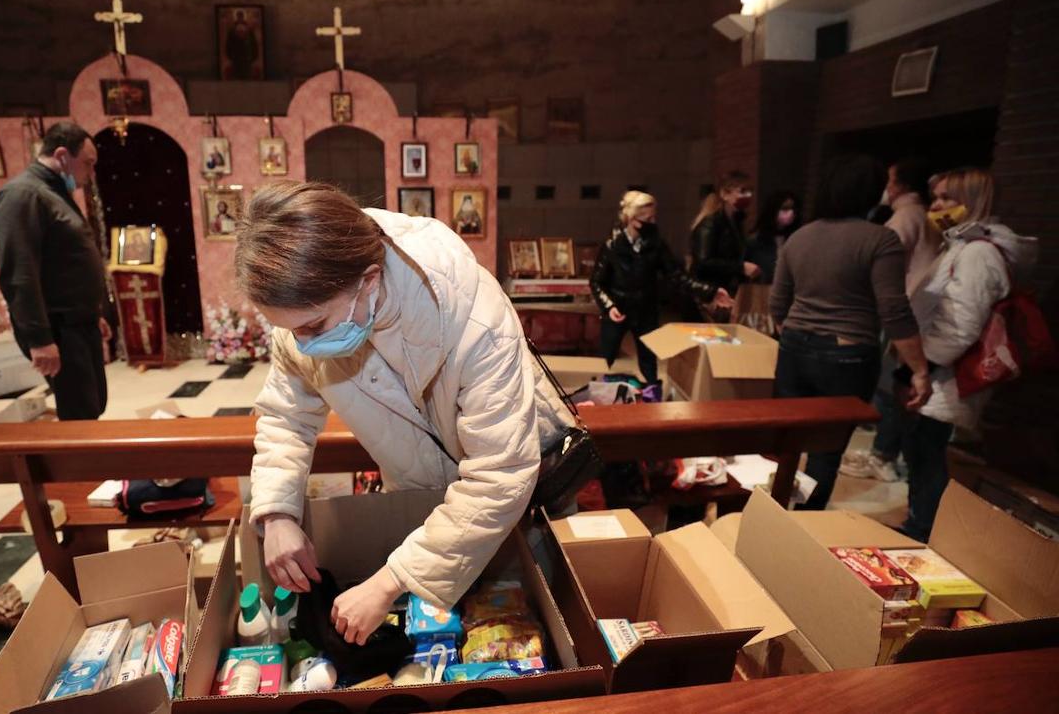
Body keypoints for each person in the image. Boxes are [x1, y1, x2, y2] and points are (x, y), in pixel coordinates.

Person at [236, 181, 575, 644]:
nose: (304, 344)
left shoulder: (475, 319)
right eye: (288, 330)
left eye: (313, 326)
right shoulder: (317, 301)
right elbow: (285, 416)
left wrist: (390, 580)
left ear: (369, 281)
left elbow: (501, 475)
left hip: (518, 515)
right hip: (420, 513)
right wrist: (276, 514)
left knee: (523, 631)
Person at [770, 155, 932, 511]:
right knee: (825, 452)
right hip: (847, 355)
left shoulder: (800, 236)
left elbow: (777, 304)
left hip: (794, 348)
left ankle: (768, 516)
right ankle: (803, 524)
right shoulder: (880, 239)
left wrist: (799, 333)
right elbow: (893, 309)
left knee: (783, 442)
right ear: (871, 193)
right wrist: (919, 369)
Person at [899, 168, 1037, 541]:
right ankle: (922, 526)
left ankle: (924, 532)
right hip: (942, 369)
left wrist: (921, 363)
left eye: (949, 198)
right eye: (937, 197)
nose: (938, 205)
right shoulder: (961, 246)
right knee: (922, 451)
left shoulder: (977, 253)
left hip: (950, 373)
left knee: (929, 453)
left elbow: (961, 322)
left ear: (974, 201)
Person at [0, 121, 110, 421]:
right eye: (87, 164)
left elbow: (64, 265)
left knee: (93, 402)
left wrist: (92, 314)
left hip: (78, 322)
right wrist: (39, 338)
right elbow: (20, 273)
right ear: (61, 155)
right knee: (79, 411)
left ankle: (93, 465)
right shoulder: (23, 195)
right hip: (59, 328)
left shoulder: (52, 193)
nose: (90, 174)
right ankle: (83, 467)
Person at [844, 159, 943, 482]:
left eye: (889, 180)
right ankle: (888, 449)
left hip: (901, 310)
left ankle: (883, 454)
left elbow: (881, 269)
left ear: (898, 184)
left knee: (891, 387)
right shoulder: (924, 216)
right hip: (916, 308)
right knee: (900, 386)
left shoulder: (904, 218)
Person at [590, 191, 732, 382]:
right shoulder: (612, 244)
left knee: (649, 361)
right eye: (647, 218)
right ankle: (600, 396)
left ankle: (651, 397)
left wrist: (710, 291)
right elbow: (597, 281)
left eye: (654, 217)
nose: (652, 222)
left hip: (645, 309)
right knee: (606, 358)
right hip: (618, 308)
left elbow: (676, 276)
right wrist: (609, 306)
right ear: (632, 218)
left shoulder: (656, 244)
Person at [689, 171, 759, 303]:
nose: (748, 196)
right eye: (742, 191)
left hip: (724, 291)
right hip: (708, 293)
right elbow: (703, 262)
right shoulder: (711, 223)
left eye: (750, 191)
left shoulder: (736, 222)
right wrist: (741, 267)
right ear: (724, 194)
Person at [744, 190, 801, 284]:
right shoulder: (755, 241)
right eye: (785, 208)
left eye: (793, 209)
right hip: (762, 290)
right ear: (773, 210)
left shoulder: (796, 239)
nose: (791, 213)